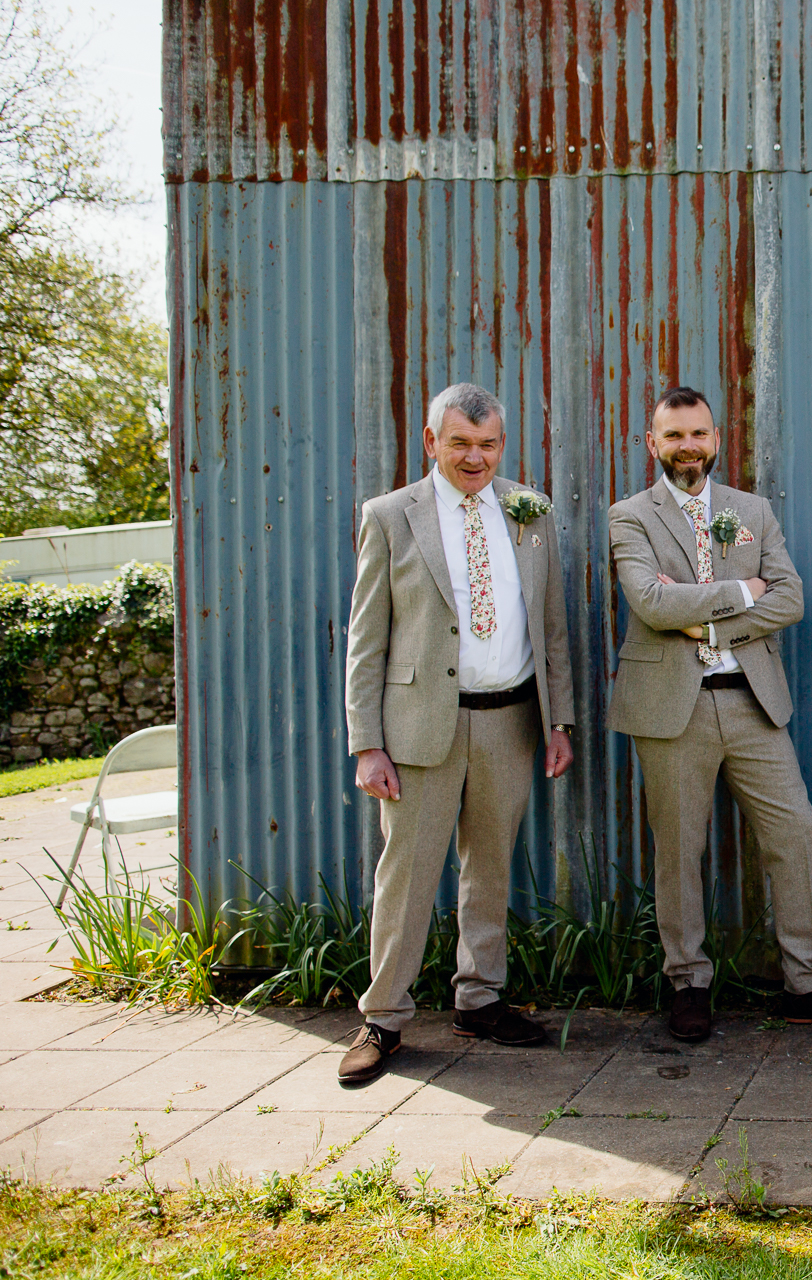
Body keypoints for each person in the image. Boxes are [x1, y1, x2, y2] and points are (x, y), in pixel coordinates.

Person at [608, 386, 812, 1043]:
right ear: (653, 444)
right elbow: (651, 603)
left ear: (716, 439)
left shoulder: (751, 510)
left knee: (797, 833)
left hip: (754, 703)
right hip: (671, 710)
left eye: (698, 434)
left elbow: (789, 598)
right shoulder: (630, 516)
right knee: (679, 849)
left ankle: (808, 983)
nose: (687, 447)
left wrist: (708, 627)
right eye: (673, 436)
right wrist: (741, 591)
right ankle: (689, 983)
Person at [341, 383, 576, 1084]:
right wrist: (366, 742)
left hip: (511, 720)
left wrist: (558, 719)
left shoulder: (530, 513)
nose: (475, 458)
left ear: (501, 445)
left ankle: (480, 998)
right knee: (407, 875)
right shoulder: (390, 517)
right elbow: (366, 639)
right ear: (431, 441)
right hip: (417, 730)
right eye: (460, 443)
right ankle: (382, 1017)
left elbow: (552, 624)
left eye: (488, 444)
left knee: (491, 867)